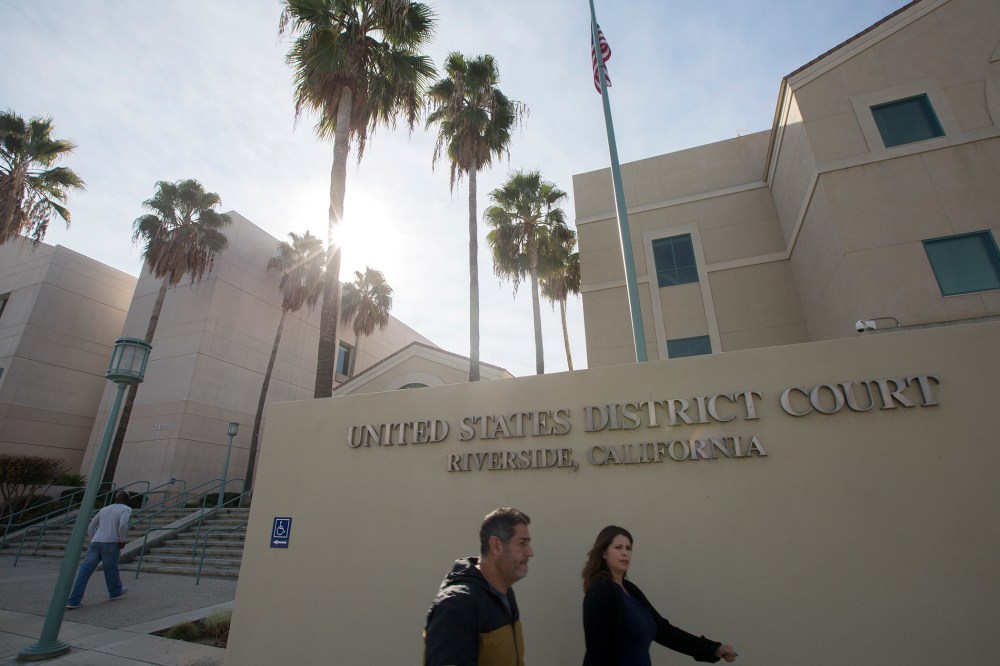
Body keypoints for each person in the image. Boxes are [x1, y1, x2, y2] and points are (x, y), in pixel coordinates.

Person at [582, 525, 738, 665]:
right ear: (603, 553)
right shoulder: (600, 591)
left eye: (628, 548)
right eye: (618, 547)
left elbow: (663, 630)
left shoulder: (631, 590)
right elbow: (598, 651)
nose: (625, 553)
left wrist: (714, 649)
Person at [424, 507, 533, 666]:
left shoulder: (505, 593)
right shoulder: (457, 604)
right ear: (496, 545)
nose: (530, 552)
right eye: (522, 543)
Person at [66, 491, 132, 609]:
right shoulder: (126, 509)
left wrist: (93, 539)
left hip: (96, 542)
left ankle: (74, 600)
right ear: (127, 500)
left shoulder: (104, 509)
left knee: (85, 571)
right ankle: (115, 591)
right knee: (112, 568)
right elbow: (123, 524)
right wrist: (122, 540)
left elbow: (91, 526)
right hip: (111, 542)